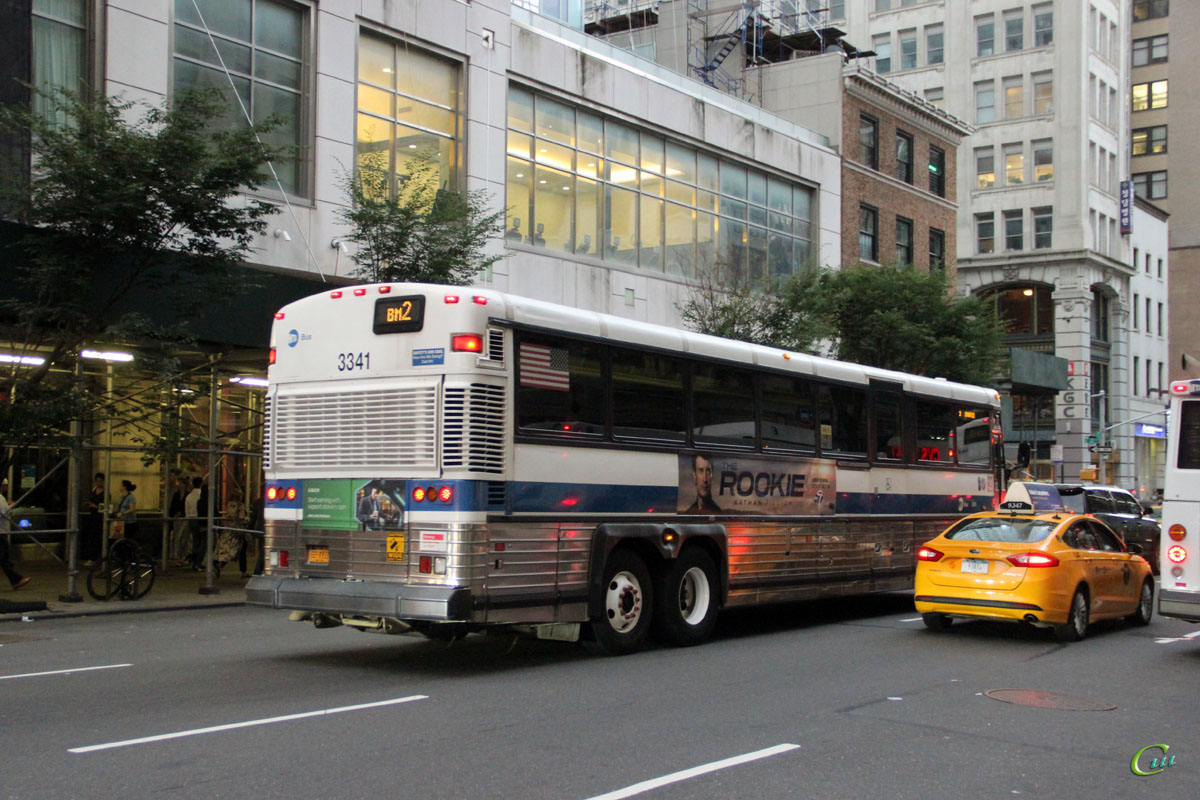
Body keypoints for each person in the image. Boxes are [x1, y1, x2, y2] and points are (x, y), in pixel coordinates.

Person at [0, 479, 29, 590]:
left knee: (4, 559)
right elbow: (5, 513)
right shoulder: (0, 498)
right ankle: (16, 580)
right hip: (1, 532)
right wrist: (10, 507)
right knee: (4, 558)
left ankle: (15, 580)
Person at [80, 472, 106, 562]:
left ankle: (96, 557)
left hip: (99, 517)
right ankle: (91, 557)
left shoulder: (105, 493)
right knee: (91, 537)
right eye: (97, 481)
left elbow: (106, 507)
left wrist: (95, 506)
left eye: (100, 481)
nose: (99, 483)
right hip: (92, 516)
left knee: (97, 537)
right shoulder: (93, 491)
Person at [168, 470, 189, 565]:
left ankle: (182, 556)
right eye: (179, 483)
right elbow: (172, 505)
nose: (180, 485)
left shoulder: (187, 495)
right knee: (177, 536)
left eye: (181, 483)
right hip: (176, 518)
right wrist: (174, 513)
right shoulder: (176, 494)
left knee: (183, 537)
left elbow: (187, 506)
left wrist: (182, 512)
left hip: (183, 517)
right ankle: (178, 556)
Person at [185, 476, 204, 569]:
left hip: (191, 519)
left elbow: (187, 510)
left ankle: (194, 559)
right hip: (199, 519)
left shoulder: (189, 496)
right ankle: (197, 561)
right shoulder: (201, 495)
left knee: (195, 541)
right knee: (201, 541)